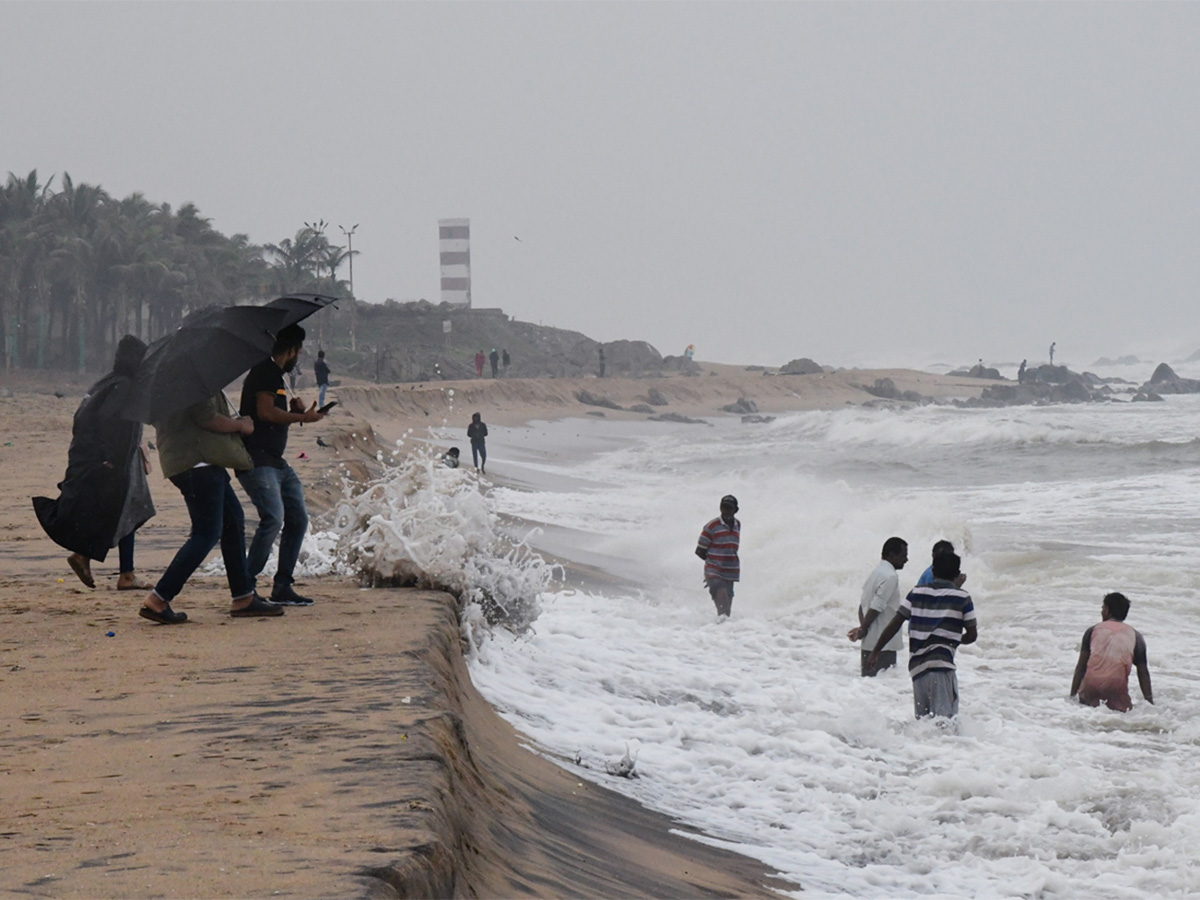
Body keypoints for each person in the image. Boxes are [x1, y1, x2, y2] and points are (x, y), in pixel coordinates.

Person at [141, 391, 282, 623]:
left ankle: (243, 596)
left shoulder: (168, 381)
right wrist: (241, 425)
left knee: (233, 521)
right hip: (197, 461)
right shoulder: (193, 380)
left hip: (191, 461)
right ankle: (158, 599)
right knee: (206, 533)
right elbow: (207, 418)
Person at [34, 335, 156, 592]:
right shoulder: (124, 386)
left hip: (98, 459)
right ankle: (122, 573)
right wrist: (112, 459)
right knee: (125, 512)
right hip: (113, 462)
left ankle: (95, 561)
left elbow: (84, 418)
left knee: (117, 512)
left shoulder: (107, 382)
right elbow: (112, 422)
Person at [237, 324, 326, 607]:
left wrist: (294, 413)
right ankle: (245, 588)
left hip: (276, 461)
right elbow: (264, 412)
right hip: (258, 460)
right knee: (273, 519)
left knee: (298, 519)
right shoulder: (266, 371)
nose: (298, 356)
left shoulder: (275, 375)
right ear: (292, 351)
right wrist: (302, 419)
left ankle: (283, 585)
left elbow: (271, 412)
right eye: (298, 352)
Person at [870, 551, 977, 719]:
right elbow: (972, 635)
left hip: (917, 670)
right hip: (942, 668)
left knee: (923, 725)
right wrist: (952, 638)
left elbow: (895, 623)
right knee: (944, 726)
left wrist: (876, 650)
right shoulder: (962, 597)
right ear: (957, 574)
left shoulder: (917, 592)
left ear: (933, 571)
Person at [1070, 592, 1153, 712]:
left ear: (1107, 610)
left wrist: (1072, 696)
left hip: (1090, 688)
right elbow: (1143, 673)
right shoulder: (1136, 636)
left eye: (1103, 608)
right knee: (1121, 715)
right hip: (1116, 691)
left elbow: (1081, 667)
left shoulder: (1092, 631)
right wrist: (1149, 702)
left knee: (1086, 711)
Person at [847, 537, 908, 676]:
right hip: (883, 644)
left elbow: (862, 605)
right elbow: (876, 606)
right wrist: (863, 629)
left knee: (868, 688)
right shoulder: (891, 576)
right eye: (903, 555)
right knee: (883, 687)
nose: (906, 559)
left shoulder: (876, 573)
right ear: (892, 555)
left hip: (869, 641)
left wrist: (863, 629)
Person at [695, 495, 740, 618]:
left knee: (726, 613)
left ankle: (721, 635)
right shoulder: (712, 526)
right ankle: (717, 634)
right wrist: (713, 564)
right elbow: (699, 551)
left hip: (730, 573)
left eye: (729, 508)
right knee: (723, 611)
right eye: (723, 507)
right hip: (714, 573)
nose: (726, 511)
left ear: (736, 510)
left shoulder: (737, 525)